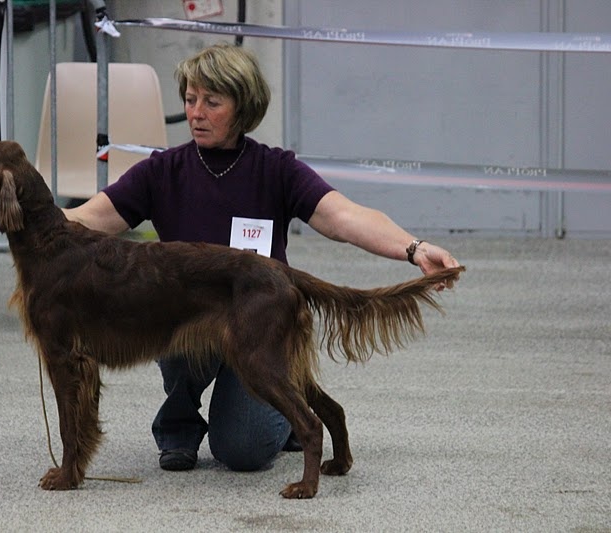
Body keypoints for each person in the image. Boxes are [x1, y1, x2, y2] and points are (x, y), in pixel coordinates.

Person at [63, 42, 460, 473]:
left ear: (243, 106)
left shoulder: (275, 169)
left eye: (212, 102)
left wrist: (414, 248)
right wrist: (25, 209)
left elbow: (344, 217)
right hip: (184, 321)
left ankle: (284, 411)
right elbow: (87, 218)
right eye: (190, 100)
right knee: (162, 313)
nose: (196, 113)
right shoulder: (163, 170)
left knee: (243, 451)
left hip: (256, 320)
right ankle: (178, 429)